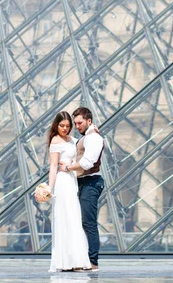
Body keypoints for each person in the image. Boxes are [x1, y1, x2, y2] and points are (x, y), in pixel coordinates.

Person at [59, 107, 105, 272]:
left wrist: (68, 168)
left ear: (89, 121)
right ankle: (82, 259)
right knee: (78, 222)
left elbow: (87, 163)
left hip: (91, 182)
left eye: (79, 123)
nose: (76, 126)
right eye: (75, 123)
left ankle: (93, 262)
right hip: (83, 182)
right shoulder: (88, 137)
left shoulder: (93, 138)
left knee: (88, 223)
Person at [47, 111, 91, 272]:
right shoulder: (55, 141)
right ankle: (66, 262)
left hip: (72, 182)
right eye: (61, 126)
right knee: (66, 219)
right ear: (56, 125)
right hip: (63, 182)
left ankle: (76, 260)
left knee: (74, 219)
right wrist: (49, 188)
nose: (65, 128)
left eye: (67, 126)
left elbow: (84, 150)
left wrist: (93, 130)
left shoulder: (73, 140)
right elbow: (53, 167)